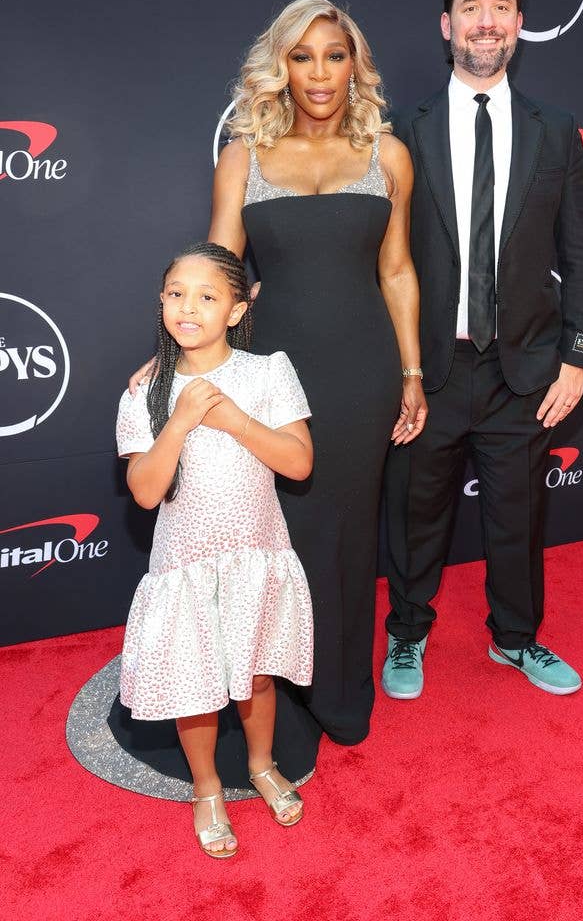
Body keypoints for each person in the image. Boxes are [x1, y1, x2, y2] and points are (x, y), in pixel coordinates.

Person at [125, 0, 426, 759]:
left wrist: (413, 371)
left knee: (351, 537)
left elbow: (396, 270)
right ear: (280, 66)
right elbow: (221, 271)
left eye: (334, 54)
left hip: (364, 372)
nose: (320, 72)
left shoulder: (388, 154)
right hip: (271, 377)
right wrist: (168, 352)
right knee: (274, 537)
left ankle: (341, 694)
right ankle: (274, 699)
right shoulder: (244, 154)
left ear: (354, 63)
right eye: (302, 56)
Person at [382, 0, 583, 700]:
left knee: (517, 516)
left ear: (519, 24)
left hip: (524, 369)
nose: (486, 22)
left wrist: (577, 358)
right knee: (416, 512)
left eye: (501, 7)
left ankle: (517, 639)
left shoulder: (555, 131)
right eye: (471, 7)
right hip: (429, 367)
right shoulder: (398, 131)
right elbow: (373, 254)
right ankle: (406, 632)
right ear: (447, 24)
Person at [116, 242, 315, 858]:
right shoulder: (143, 392)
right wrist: (177, 421)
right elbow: (145, 493)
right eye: (176, 293)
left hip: (257, 554)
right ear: (161, 302)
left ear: (236, 309)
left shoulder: (268, 372)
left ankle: (260, 765)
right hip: (186, 565)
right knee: (193, 682)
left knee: (256, 674)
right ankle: (206, 788)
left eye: (207, 296)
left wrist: (233, 420)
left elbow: (300, 462)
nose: (189, 307)